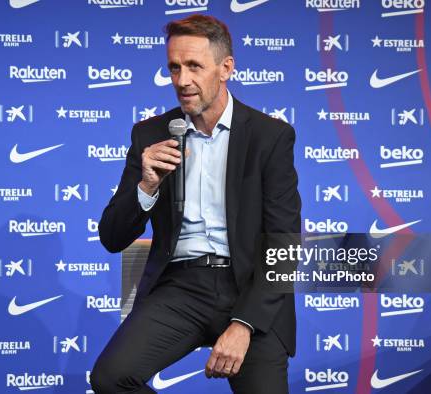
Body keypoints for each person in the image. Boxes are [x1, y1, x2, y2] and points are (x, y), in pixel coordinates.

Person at [91, 14, 301, 394]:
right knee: (109, 378)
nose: (182, 80)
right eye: (174, 67)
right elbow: (112, 236)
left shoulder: (270, 137)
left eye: (193, 67)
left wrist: (244, 325)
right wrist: (147, 184)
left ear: (225, 69)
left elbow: (283, 246)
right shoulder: (151, 135)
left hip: (250, 289)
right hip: (180, 288)